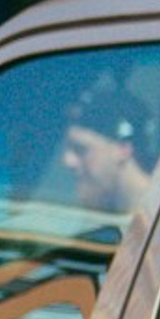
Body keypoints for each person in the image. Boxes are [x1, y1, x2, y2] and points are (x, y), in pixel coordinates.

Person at [59, 74, 160, 220]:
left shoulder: (151, 230)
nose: (67, 161)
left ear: (123, 149)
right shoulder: (108, 235)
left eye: (81, 149)